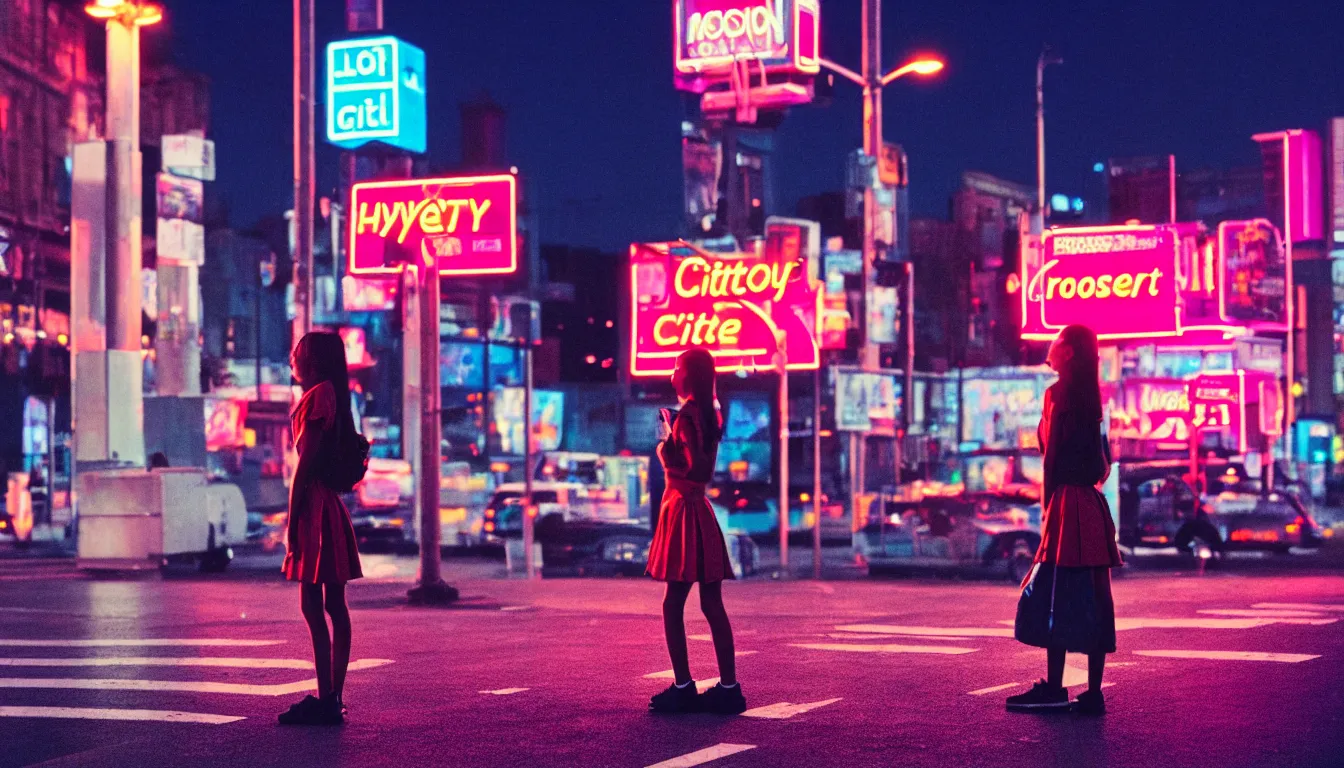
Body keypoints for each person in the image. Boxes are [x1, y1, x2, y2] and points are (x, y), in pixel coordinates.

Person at [1008, 324, 1122, 716]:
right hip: (1091, 505)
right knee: (1093, 596)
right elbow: (1102, 462)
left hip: (1066, 503)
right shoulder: (1092, 398)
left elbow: (1051, 455)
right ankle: (1093, 692)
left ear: (1069, 352)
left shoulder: (1056, 394)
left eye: (1057, 342)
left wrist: (1046, 505)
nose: (1051, 347)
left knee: (1055, 592)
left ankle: (1054, 688)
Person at [646, 348, 745, 715]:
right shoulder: (708, 411)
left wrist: (667, 444)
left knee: (674, 603)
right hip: (698, 511)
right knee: (710, 602)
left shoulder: (687, 416)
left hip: (684, 510)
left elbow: (696, 468)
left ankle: (684, 686)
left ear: (688, 376)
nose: (672, 373)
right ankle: (728, 686)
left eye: (676, 367)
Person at [278, 331, 364, 726]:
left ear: (309, 359)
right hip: (326, 505)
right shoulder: (329, 394)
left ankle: (330, 696)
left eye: (296, 353)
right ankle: (331, 696)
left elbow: (306, 463)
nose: (291, 359)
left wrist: (293, 519)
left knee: (319, 604)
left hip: (316, 508)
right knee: (329, 604)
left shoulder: (318, 396)